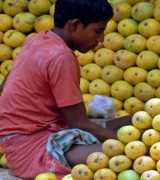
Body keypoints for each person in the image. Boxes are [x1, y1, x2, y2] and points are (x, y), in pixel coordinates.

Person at [0, 0, 131, 179]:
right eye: (98, 31)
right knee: (126, 153)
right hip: (32, 150)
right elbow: (80, 124)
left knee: (131, 121)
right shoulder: (61, 57)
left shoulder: (39, 39)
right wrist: (129, 142)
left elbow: (4, 86)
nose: (100, 40)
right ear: (75, 25)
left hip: (22, 139)